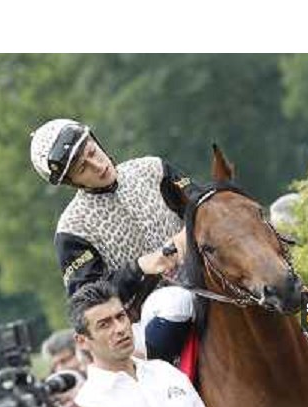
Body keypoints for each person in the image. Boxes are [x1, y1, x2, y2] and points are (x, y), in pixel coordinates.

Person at [30, 119, 195, 365]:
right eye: (83, 168)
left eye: (93, 152)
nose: (98, 166)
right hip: (143, 319)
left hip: (203, 275)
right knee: (175, 303)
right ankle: (164, 388)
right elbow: (86, 300)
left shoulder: (153, 168)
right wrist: (139, 268)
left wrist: (191, 227)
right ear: (71, 181)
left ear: (96, 141)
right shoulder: (72, 229)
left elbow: (202, 204)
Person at [69, 280, 212, 407]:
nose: (120, 328)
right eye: (104, 324)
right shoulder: (88, 405)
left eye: (121, 316)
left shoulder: (166, 372)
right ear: (82, 341)